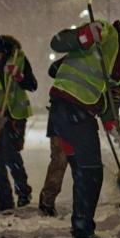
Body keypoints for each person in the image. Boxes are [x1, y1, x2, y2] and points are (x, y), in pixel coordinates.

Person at [48, 19, 120, 238]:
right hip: (68, 106)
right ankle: (82, 232)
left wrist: (113, 125)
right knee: (90, 171)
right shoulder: (105, 33)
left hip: (82, 113)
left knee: (85, 171)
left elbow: (112, 97)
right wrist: (84, 36)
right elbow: (57, 42)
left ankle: (81, 229)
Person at [0, 35, 37, 211]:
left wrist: (19, 76)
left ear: (4, 51)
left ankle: (23, 193)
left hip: (16, 116)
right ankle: (4, 199)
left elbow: (32, 85)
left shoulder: (18, 59)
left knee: (10, 153)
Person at [39, 59, 69, 217]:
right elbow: (53, 70)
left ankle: (84, 204)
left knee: (82, 163)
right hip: (61, 114)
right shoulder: (72, 56)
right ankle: (47, 200)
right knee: (60, 159)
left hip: (83, 116)